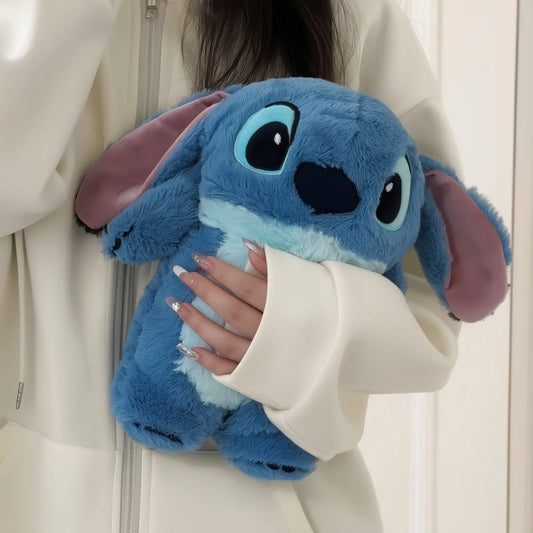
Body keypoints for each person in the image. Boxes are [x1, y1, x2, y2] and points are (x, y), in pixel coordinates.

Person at [0, 0, 462, 531]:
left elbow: (440, 287)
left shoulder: (354, 13)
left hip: (274, 501)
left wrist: (301, 321)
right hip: (32, 502)